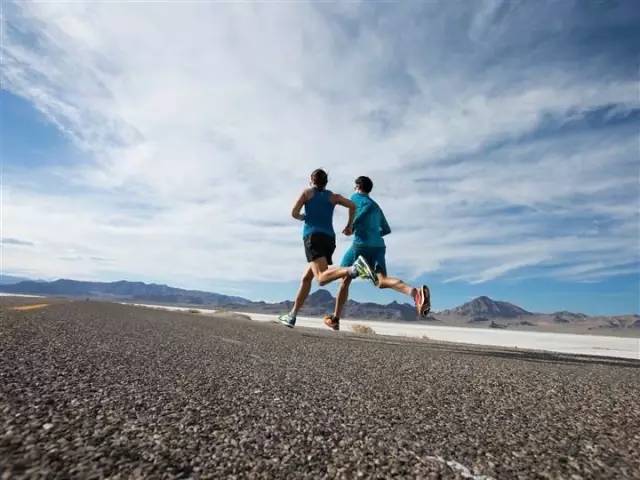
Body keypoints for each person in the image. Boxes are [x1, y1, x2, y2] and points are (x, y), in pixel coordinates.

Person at [323, 176, 430, 331]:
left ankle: (335, 319)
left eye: (354, 185)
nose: (353, 188)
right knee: (381, 281)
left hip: (361, 245)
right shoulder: (376, 206)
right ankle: (415, 293)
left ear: (358, 186)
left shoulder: (356, 197)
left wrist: (352, 227)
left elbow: (360, 210)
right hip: (379, 246)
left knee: (345, 278)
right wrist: (373, 232)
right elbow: (386, 229)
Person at [277, 169, 376, 328]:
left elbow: (294, 213)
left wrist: (303, 217)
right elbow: (352, 206)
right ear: (326, 182)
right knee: (306, 278)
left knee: (321, 278)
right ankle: (292, 315)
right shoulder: (333, 196)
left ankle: (352, 269)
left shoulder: (307, 193)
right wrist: (349, 225)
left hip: (313, 237)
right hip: (329, 240)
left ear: (311, 179)